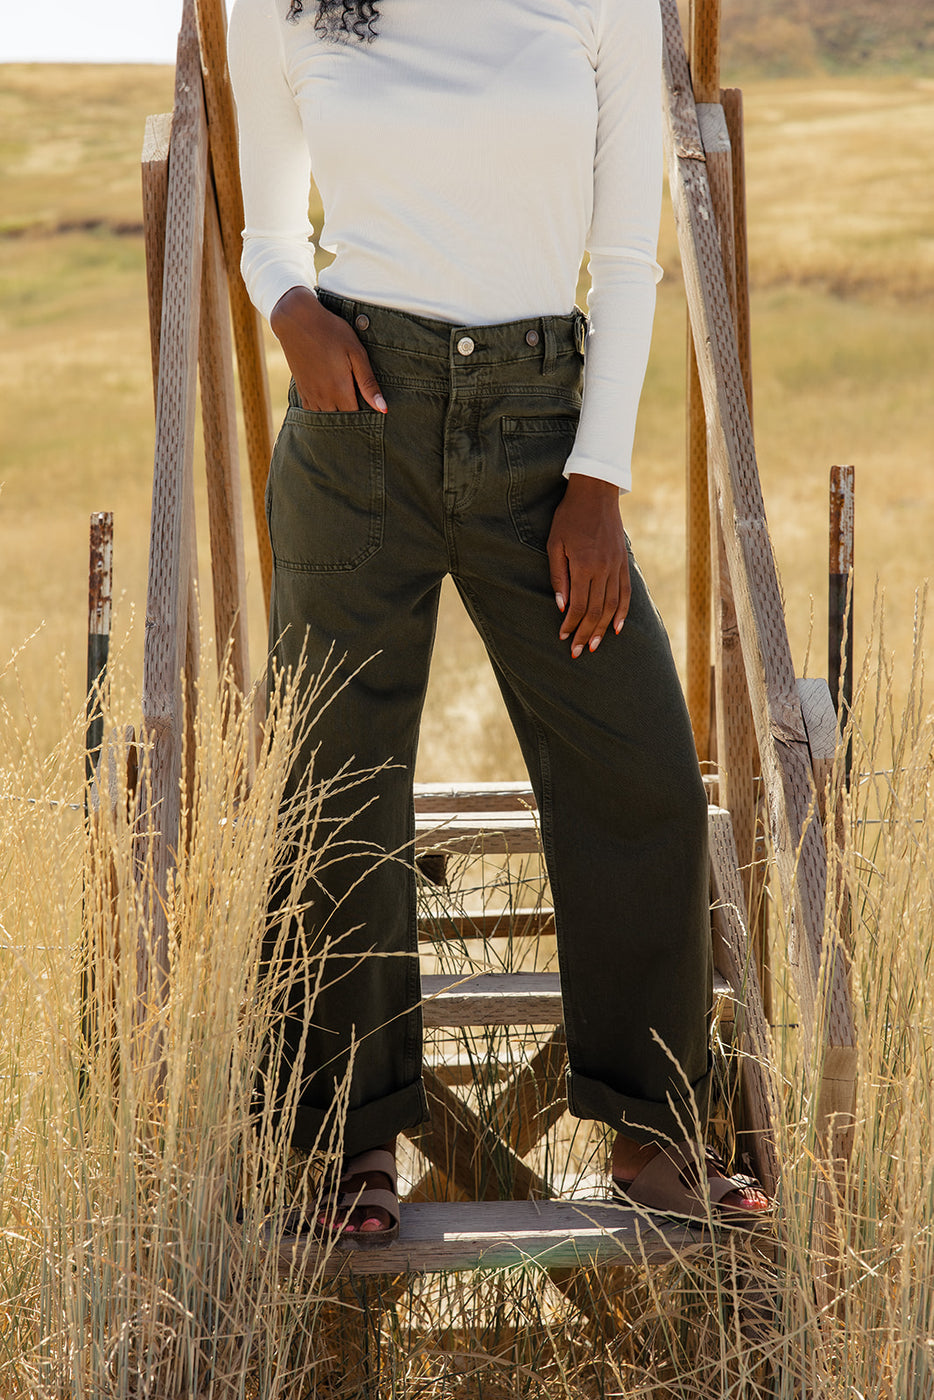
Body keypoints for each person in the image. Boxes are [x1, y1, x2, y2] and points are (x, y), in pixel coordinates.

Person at [227, 0, 771, 1247]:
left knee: (638, 766)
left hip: (542, 429)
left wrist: (597, 480)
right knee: (334, 778)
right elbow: (266, 232)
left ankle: (656, 1129)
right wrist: (293, 316)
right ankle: (342, 1136)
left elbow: (627, 256)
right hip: (357, 416)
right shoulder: (288, 6)